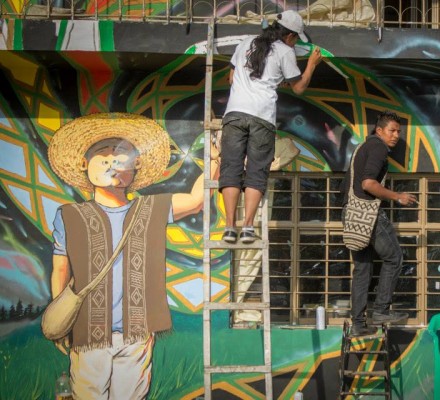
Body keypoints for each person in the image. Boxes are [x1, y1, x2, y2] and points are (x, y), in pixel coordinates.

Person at [46, 112, 213, 399]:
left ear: (135, 165)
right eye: (102, 154)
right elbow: (61, 269)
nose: (112, 161)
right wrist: (59, 320)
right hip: (86, 332)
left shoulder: (153, 208)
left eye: (121, 154)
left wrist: (217, 156)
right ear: (85, 164)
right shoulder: (69, 215)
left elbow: (197, 201)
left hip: (137, 333)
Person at [219, 10, 322, 244]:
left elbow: (231, 78)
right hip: (262, 117)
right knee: (256, 172)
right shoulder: (286, 51)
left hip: (235, 114)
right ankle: (247, 227)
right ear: (290, 36)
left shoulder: (246, 42)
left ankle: (229, 226)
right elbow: (299, 87)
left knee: (231, 169)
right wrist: (312, 65)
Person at [342, 111, 417, 336]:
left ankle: (358, 324)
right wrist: (397, 197)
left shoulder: (362, 148)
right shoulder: (378, 147)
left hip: (352, 213)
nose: (395, 136)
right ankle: (382, 310)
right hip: (367, 212)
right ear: (379, 130)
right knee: (394, 258)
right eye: (392, 130)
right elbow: (368, 183)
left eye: (398, 132)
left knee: (363, 269)